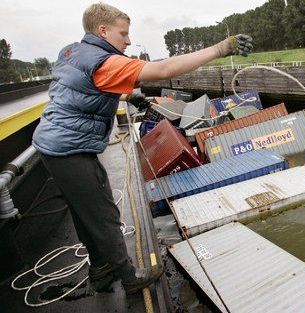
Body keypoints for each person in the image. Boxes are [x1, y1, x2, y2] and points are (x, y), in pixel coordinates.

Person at [32, 3, 253, 295]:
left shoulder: (72, 51)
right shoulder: (106, 62)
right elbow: (163, 69)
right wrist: (222, 48)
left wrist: (131, 96)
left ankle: (100, 268)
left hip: (52, 144)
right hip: (70, 149)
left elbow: (87, 85)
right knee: (104, 214)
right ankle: (130, 277)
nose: (127, 40)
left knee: (83, 211)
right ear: (103, 30)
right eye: (123, 34)